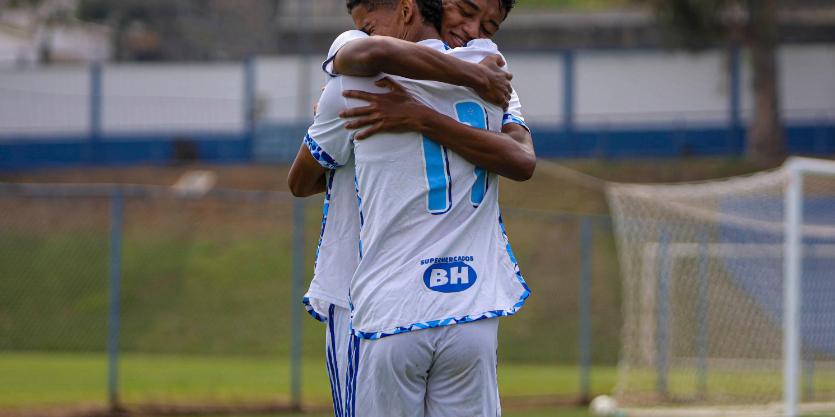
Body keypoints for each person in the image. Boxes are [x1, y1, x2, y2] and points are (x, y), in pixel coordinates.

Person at [288, 0, 530, 416]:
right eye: (467, 12)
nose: (472, 30)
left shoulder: (355, 81)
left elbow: (300, 181)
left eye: (488, 24)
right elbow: (522, 160)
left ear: (405, 10)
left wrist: (403, 121)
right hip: (471, 307)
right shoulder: (493, 72)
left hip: (382, 305)